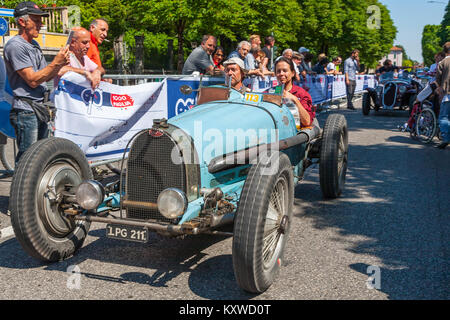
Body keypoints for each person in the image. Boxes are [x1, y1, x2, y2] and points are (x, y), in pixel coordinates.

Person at [4, 1, 70, 162]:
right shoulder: (15, 46)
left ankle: (33, 187)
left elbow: (44, 76)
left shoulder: (34, 44)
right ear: (22, 21)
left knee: (40, 158)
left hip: (38, 108)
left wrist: (59, 64)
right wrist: (56, 62)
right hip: (26, 110)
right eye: (36, 20)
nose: (41, 24)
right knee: (28, 160)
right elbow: (32, 80)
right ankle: (21, 188)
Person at [273, 57, 315, 127]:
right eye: (278, 71)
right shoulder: (270, 92)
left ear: (292, 73)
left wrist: (295, 100)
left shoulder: (302, 94)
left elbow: (307, 122)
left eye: (285, 70)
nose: (281, 74)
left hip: (295, 133)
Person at [435, 42, 450, 149]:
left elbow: (438, 81)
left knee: (444, 117)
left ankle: (446, 138)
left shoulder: (443, 62)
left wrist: (440, 91)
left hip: (448, 94)